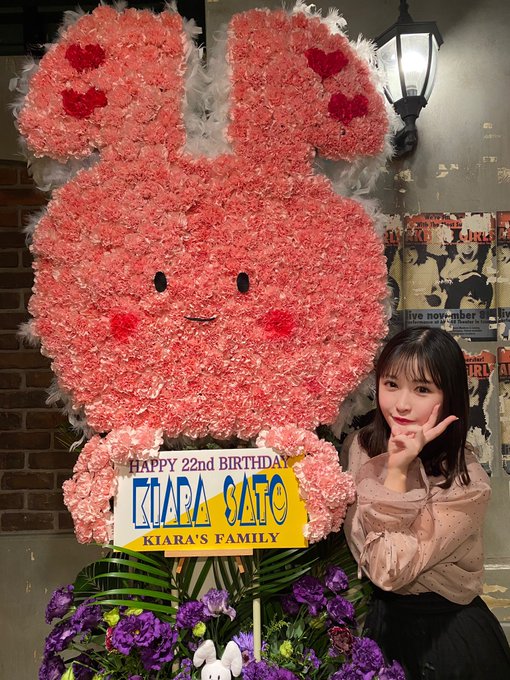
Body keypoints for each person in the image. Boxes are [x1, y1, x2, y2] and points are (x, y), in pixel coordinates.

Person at [341, 327, 510, 679]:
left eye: (422, 389)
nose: (402, 404)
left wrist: (397, 471)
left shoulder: (466, 483)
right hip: (378, 633)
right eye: (391, 384)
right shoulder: (360, 448)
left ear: (448, 397)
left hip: (450, 647)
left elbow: (389, 570)